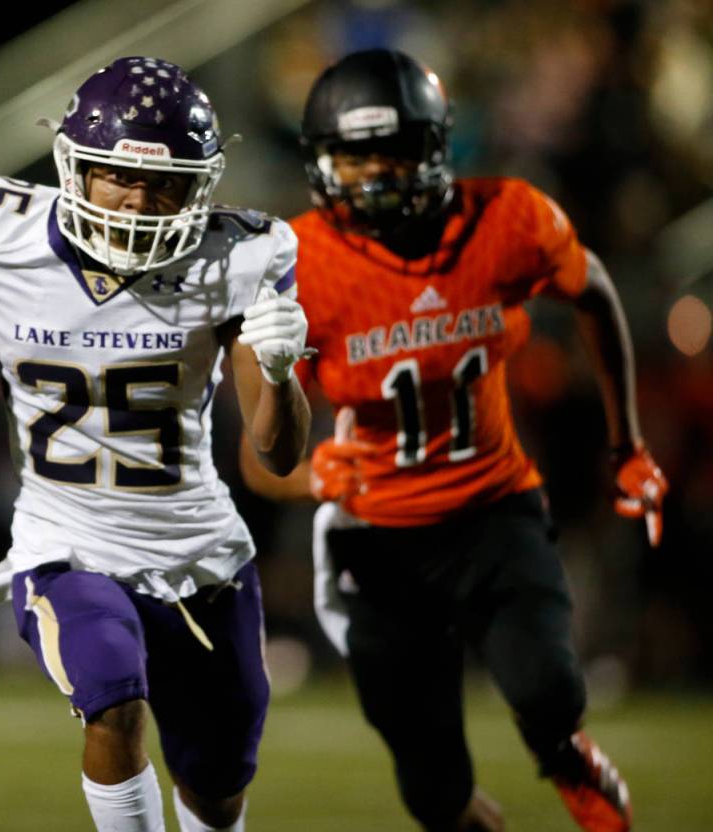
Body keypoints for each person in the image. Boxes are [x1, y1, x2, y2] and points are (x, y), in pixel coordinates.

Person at [0, 57, 312, 832]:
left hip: (200, 553)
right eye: (114, 176)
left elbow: (277, 454)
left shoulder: (238, 257)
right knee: (113, 699)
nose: (138, 200)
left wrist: (279, 370)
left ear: (200, 185)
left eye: (166, 184)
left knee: (218, 783)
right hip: (65, 544)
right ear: (74, 167)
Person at [239, 49, 668, 832]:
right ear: (322, 163)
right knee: (432, 786)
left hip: (493, 510)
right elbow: (259, 464)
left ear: (435, 147)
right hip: (377, 539)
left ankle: (561, 752)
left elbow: (596, 293)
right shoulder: (293, 265)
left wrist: (626, 444)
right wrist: (313, 479)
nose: (372, 176)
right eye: (353, 157)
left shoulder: (506, 218)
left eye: (391, 153)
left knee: (551, 692)